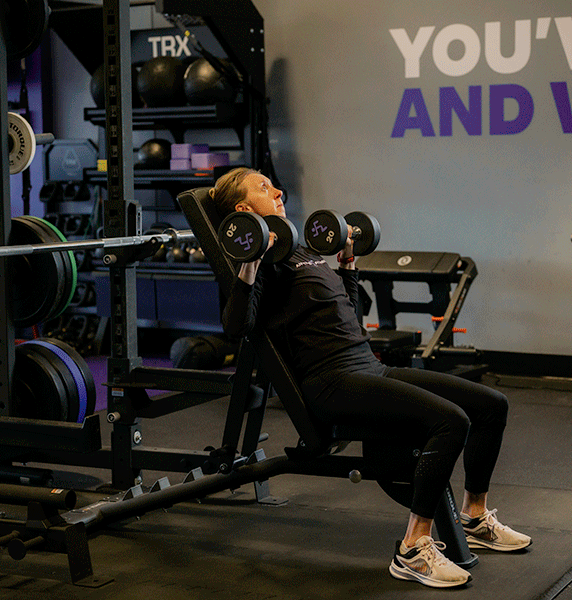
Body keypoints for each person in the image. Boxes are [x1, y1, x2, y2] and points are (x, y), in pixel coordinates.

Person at [212, 167, 531, 589]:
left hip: (368, 366)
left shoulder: (298, 249)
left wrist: (347, 265)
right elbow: (238, 327)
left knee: (491, 405)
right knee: (450, 421)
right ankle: (413, 549)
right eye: (264, 187)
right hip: (332, 381)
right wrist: (250, 261)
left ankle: (474, 517)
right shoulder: (259, 263)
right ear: (242, 210)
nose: (279, 192)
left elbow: (349, 313)